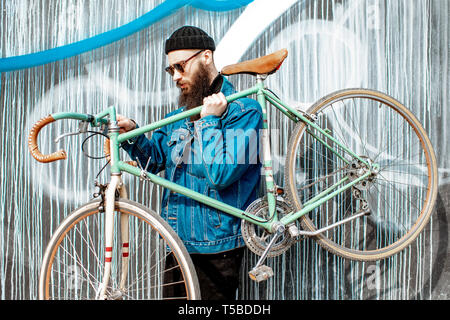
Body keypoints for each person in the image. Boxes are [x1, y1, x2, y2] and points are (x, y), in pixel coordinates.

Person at [117, 26, 262, 300]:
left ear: (206, 56)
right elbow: (154, 161)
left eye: (181, 66)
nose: (176, 76)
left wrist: (209, 121)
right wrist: (132, 135)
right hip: (176, 242)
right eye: (171, 70)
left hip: (216, 248)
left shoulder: (247, 112)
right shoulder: (180, 115)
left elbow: (222, 173)